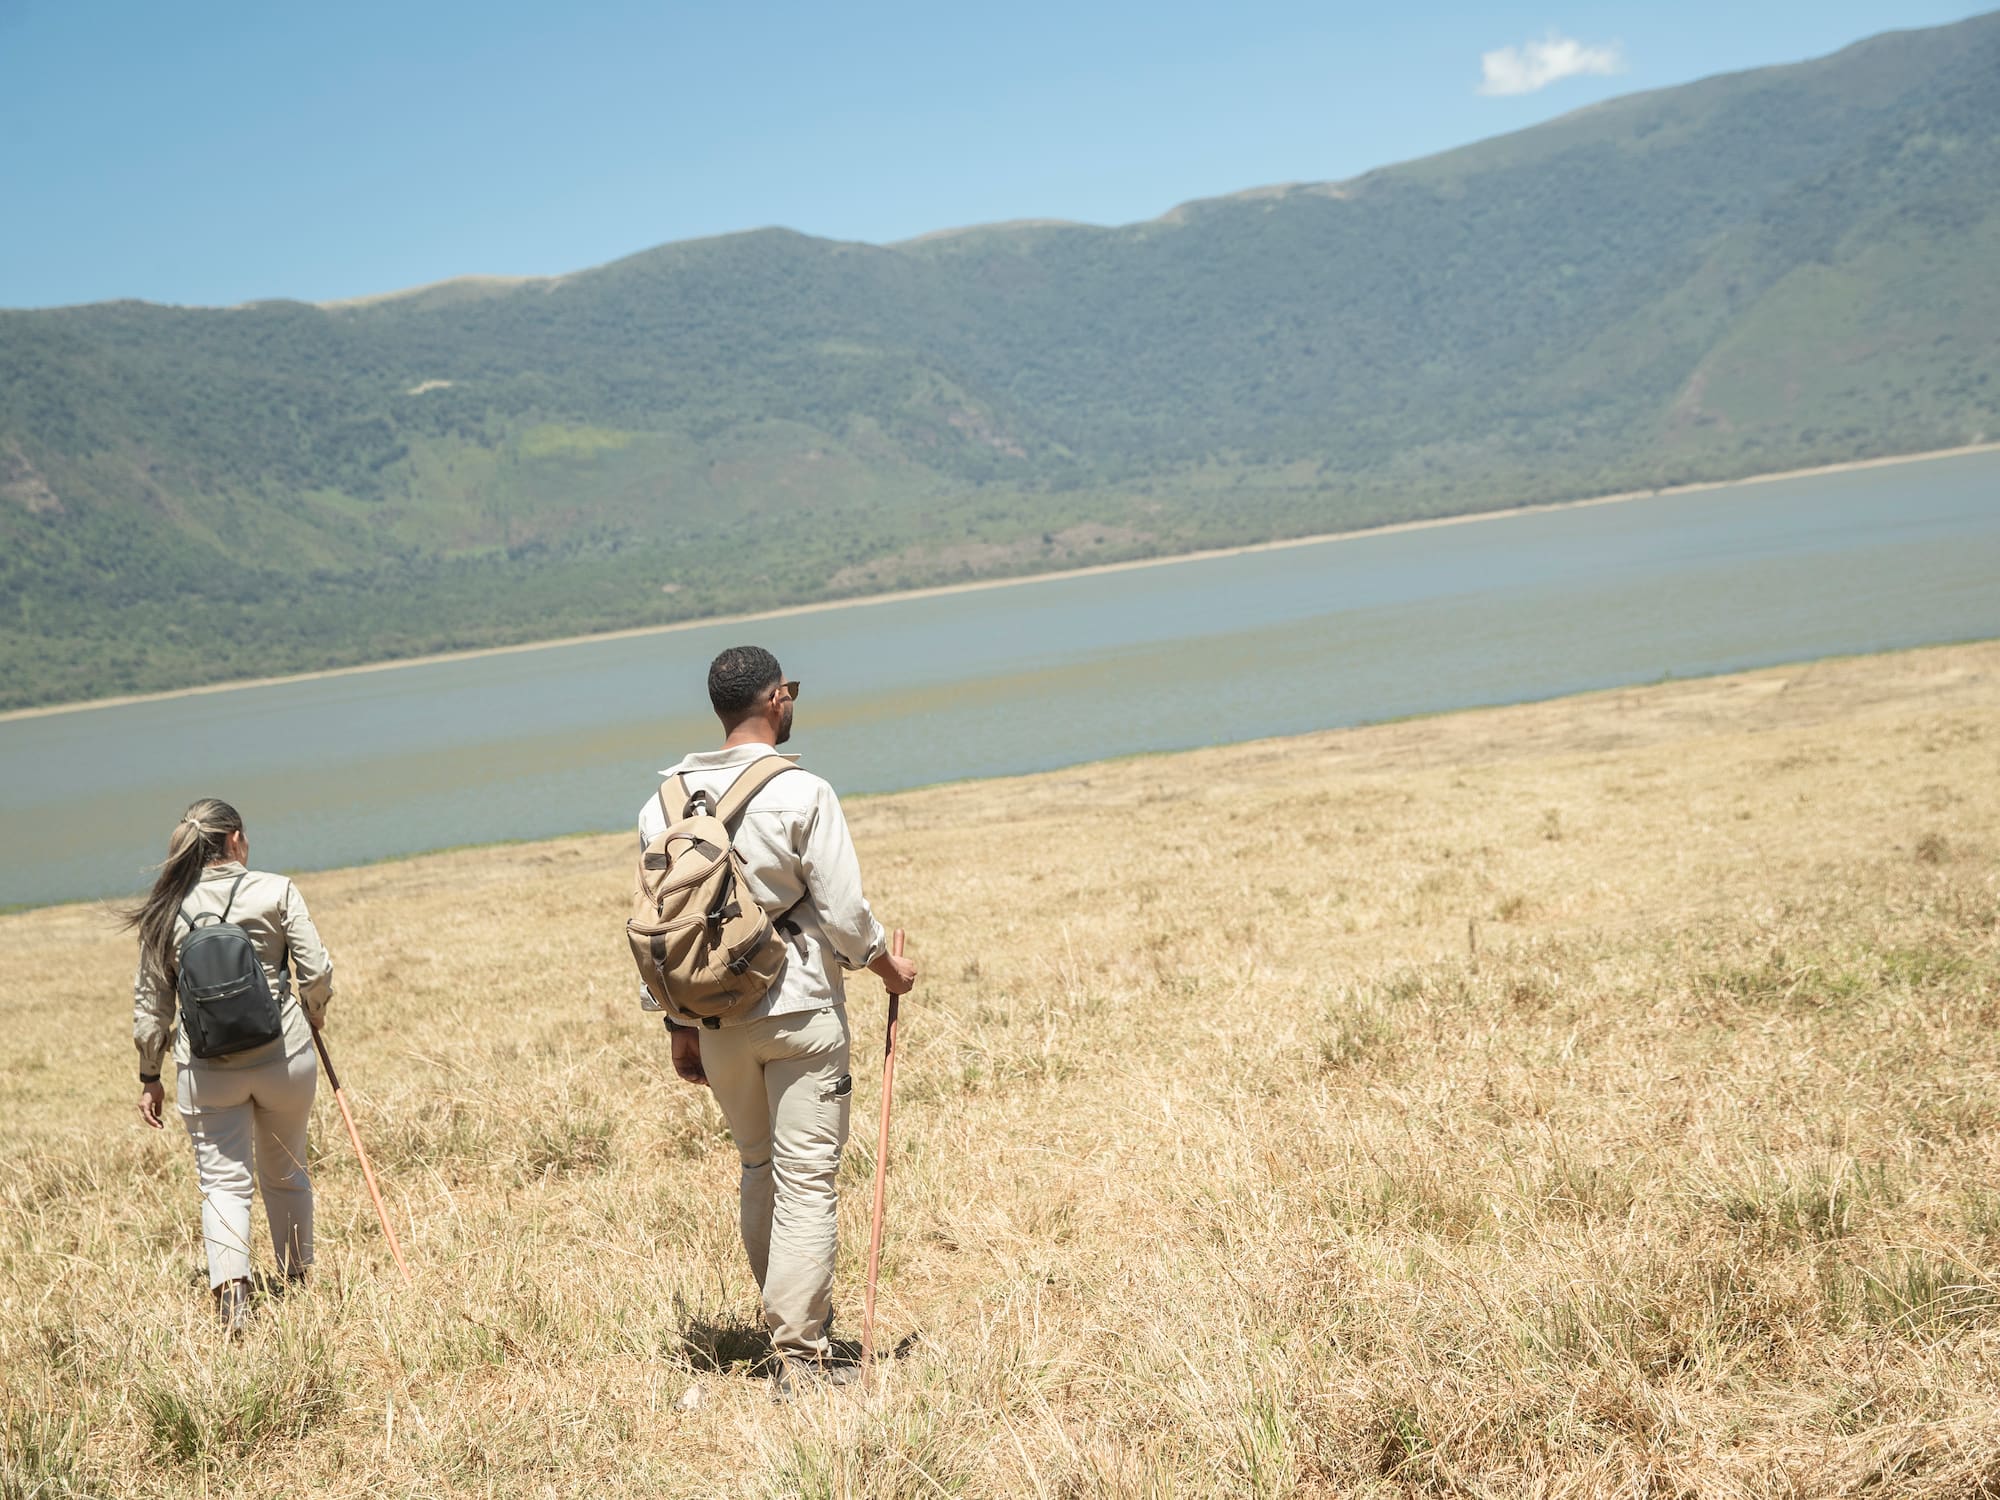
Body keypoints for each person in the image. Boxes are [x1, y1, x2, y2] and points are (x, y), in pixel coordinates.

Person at [643, 646, 916, 1400]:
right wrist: (886, 966)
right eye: (789, 689)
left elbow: (662, 925)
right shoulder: (803, 790)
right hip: (798, 1005)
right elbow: (845, 911)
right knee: (807, 1182)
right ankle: (801, 1356)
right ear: (774, 699)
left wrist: (677, 1025)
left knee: (759, 1166)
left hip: (713, 1015)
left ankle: (784, 1328)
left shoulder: (661, 803)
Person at [127, 798, 334, 1334]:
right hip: (284, 1057)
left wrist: (150, 1075)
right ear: (236, 839)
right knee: (286, 1171)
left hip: (206, 1068)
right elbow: (315, 973)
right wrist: (312, 1014)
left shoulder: (165, 907)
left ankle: (233, 1301)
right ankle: (296, 1280)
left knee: (223, 1183)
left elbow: (152, 1007)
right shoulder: (276, 889)